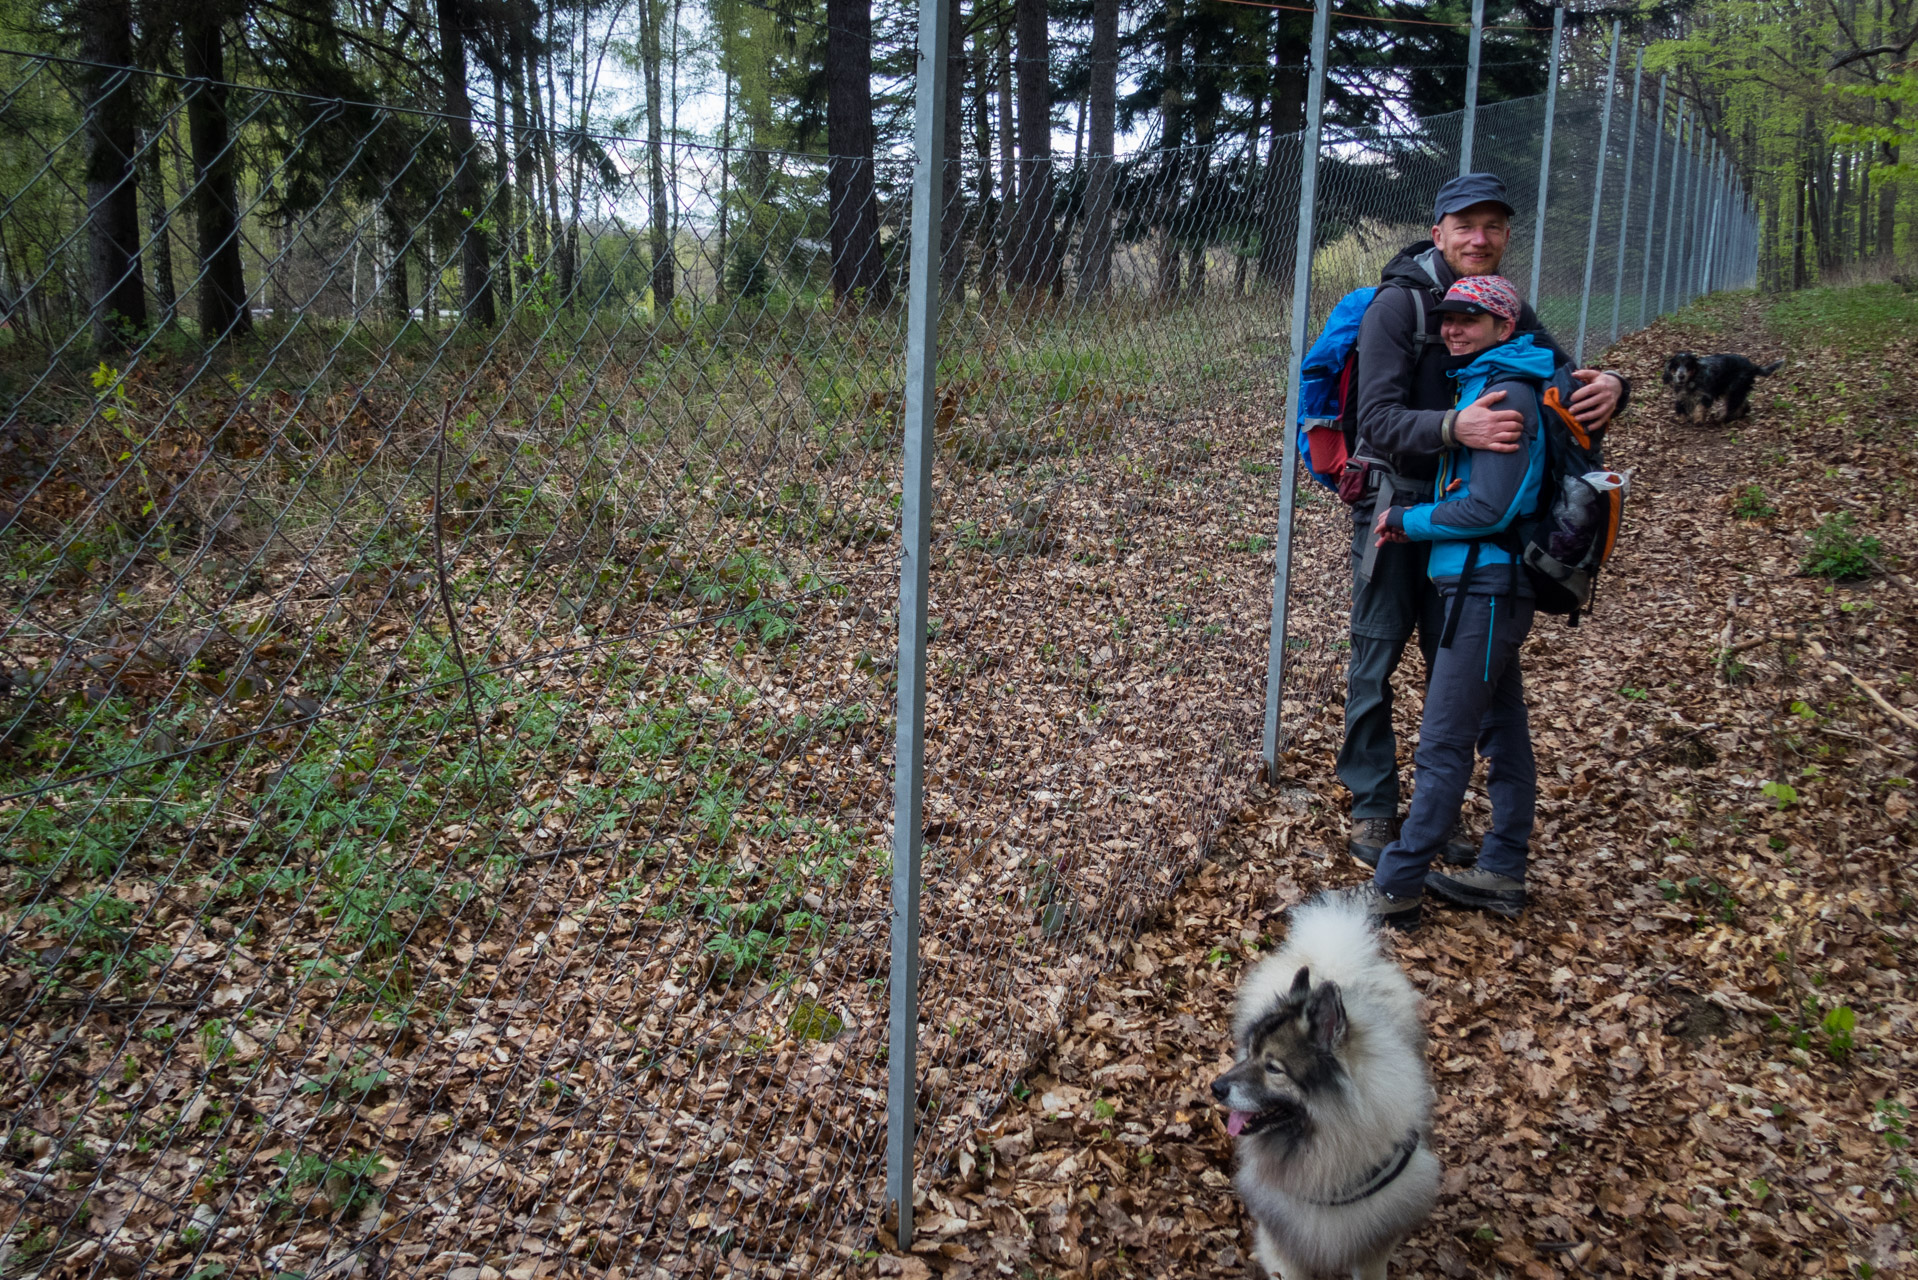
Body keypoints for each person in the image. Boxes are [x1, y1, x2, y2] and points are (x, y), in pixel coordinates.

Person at [1340, 172, 1630, 870]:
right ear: (1437, 231)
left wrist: (1617, 386)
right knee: (1376, 657)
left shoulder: (1505, 308)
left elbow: (1559, 375)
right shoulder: (1397, 308)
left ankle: (1435, 819)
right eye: (1465, 225)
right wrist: (1453, 426)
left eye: (1493, 226)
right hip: (1395, 504)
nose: (1480, 238)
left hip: (1469, 527)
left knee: (1460, 671)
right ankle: (1374, 808)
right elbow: (1373, 420)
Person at [1348, 274, 1548, 928]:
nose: (1455, 328)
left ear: (1505, 328)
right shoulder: (1488, 382)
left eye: (1472, 319)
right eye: (1450, 318)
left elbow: (1491, 505)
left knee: (1443, 739)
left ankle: (1397, 885)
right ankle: (1503, 869)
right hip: (1484, 583)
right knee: (1503, 728)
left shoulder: (1505, 394)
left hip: (1483, 585)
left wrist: (1410, 520)